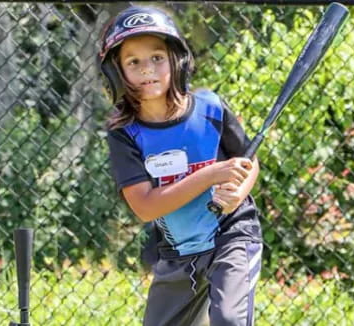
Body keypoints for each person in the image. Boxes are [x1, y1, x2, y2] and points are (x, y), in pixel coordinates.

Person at [99, 6, 263, 326]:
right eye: (134, 62)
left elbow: (248, 161)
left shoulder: (211, 109)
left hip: (230, 236)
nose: (148, 69)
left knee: (229, 319)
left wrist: (237, 193)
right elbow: (146, 207)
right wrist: (210, 175)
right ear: (117, 72)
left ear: (177, 60)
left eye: (158, 57)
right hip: (179, 250)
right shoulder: (126, 134)